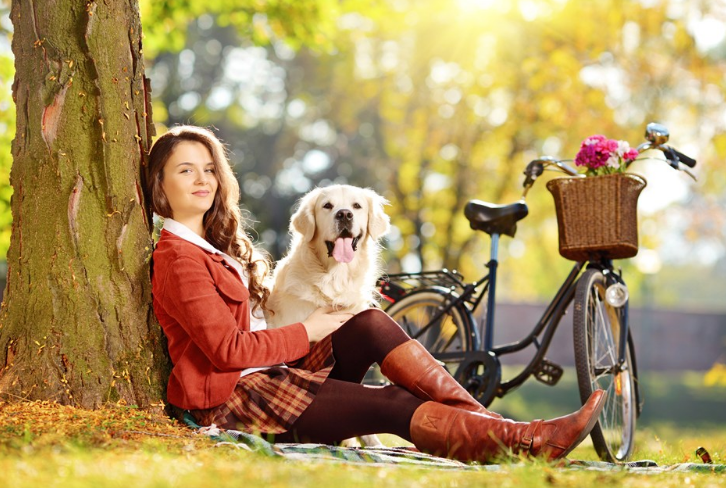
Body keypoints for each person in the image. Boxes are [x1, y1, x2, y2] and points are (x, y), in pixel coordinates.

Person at [145, 125, 606, 463]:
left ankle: (508, 434)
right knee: (393, 404)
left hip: (273, 376)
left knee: (366, 322)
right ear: (161, 186)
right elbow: (227, 350)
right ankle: (521, 442)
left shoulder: (212, 247)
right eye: (185, 170)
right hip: (237, 404)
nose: (202, 178)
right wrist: (310, 330)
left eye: (209, 168)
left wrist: (315, 328)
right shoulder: (178, 257)